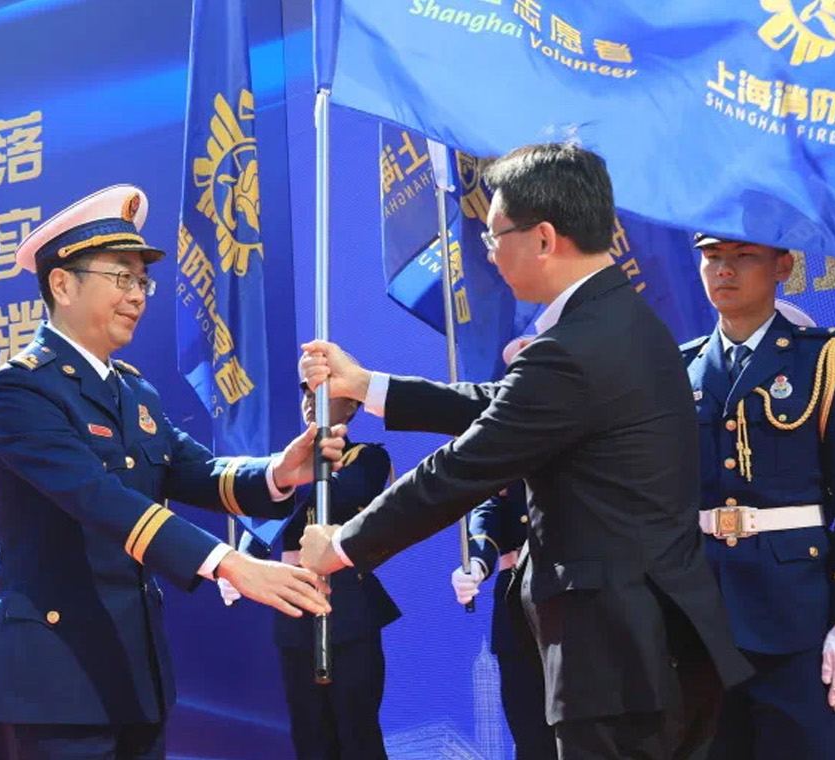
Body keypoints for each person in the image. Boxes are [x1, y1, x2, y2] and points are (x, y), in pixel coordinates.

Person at [296, 143, 752, 759]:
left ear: (542, 239)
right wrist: (367, 386)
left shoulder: (572, 349)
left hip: (616, 658)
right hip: (652, 644)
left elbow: (464, 466)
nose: (488, 252)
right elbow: (507, 406)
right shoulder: (619, 323)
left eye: (494, 236)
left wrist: (342, 544)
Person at [0, 184, 342, 759]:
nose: (137, 296)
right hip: (54, 676)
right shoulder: (21, 390)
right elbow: (98, 497)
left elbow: (194, 469)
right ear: (62, 284)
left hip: (133, 668)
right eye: (121, 277)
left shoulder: (133, 391)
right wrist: (227, 563)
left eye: (142, 281)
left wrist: (279, 471)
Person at [679, 236, 835, 760]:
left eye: (743, 256)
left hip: (795, 612)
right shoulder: (681, 368)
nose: (724, 270)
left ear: (783, 266)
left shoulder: (826, 357)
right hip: (701, 615)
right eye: (712, 257)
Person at [216, 373, 399, 760]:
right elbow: (261, 524)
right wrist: (241, 563)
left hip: (347, 604)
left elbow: (348, 493)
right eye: (306, 395)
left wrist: (285, 479)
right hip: (295, 605)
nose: (311, 402)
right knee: (310, 734)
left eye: (324, 394)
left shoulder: (366, 457)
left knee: (357, 730)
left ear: (351, 406)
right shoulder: (284, 466)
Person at [451, 338, 555, 760]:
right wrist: (477, 564)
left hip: (580, 600)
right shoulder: (504, 445)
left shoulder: (586, 430)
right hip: (519, 605)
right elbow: (488, 510)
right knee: (531, 736)